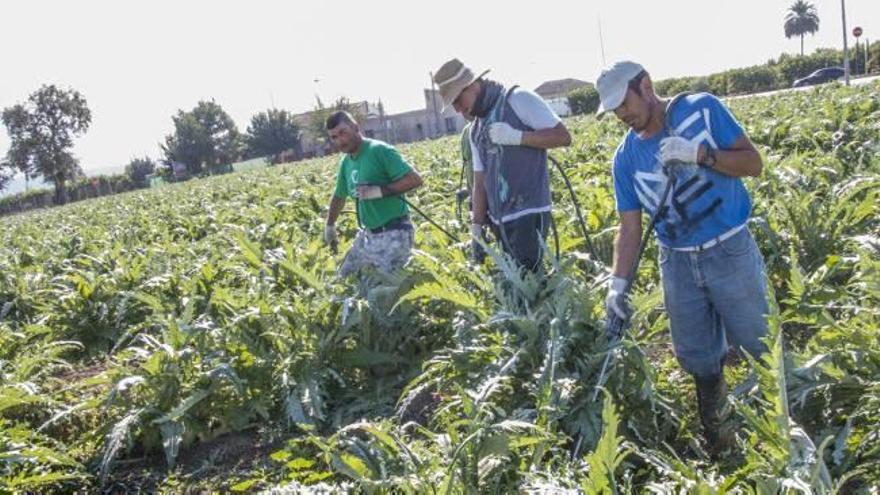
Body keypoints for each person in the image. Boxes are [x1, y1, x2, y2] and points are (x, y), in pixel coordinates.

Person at [597, 60, 770, 455]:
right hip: (676, 262)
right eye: (615, 110)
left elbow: (753, 163)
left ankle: (783, 435)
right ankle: (722, 441)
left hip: (729, 248)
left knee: (761, 349)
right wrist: (617, 287)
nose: (622, 115)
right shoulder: (625, 159)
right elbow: (629, 228)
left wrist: (701, 154)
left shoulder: (701, 109)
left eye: (625, 103)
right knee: (698, 359)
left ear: (645, 85)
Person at [433, 58, 571, 273]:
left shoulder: (518, 100)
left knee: (528, 282)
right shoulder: (475, 129)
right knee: (514, 284)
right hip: (499, 219)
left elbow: (562, 137)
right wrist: (476, 227)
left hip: (528, 211)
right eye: (454, 105)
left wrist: (517, 137)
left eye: (458, 100)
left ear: (473, 85)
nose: (459, 110)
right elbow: (480, 182)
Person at [323, 111, 423, 277]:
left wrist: (379, 191)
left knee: (382, 290)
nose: (340, 140)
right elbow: (339, 196)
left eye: (343, 133)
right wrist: (330, 225)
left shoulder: (380, 151)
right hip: (368, 235)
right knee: (343, 279)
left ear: (355, 127)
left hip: (395, 232)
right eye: (334, 137)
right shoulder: (346, 162)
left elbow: (414, 179)